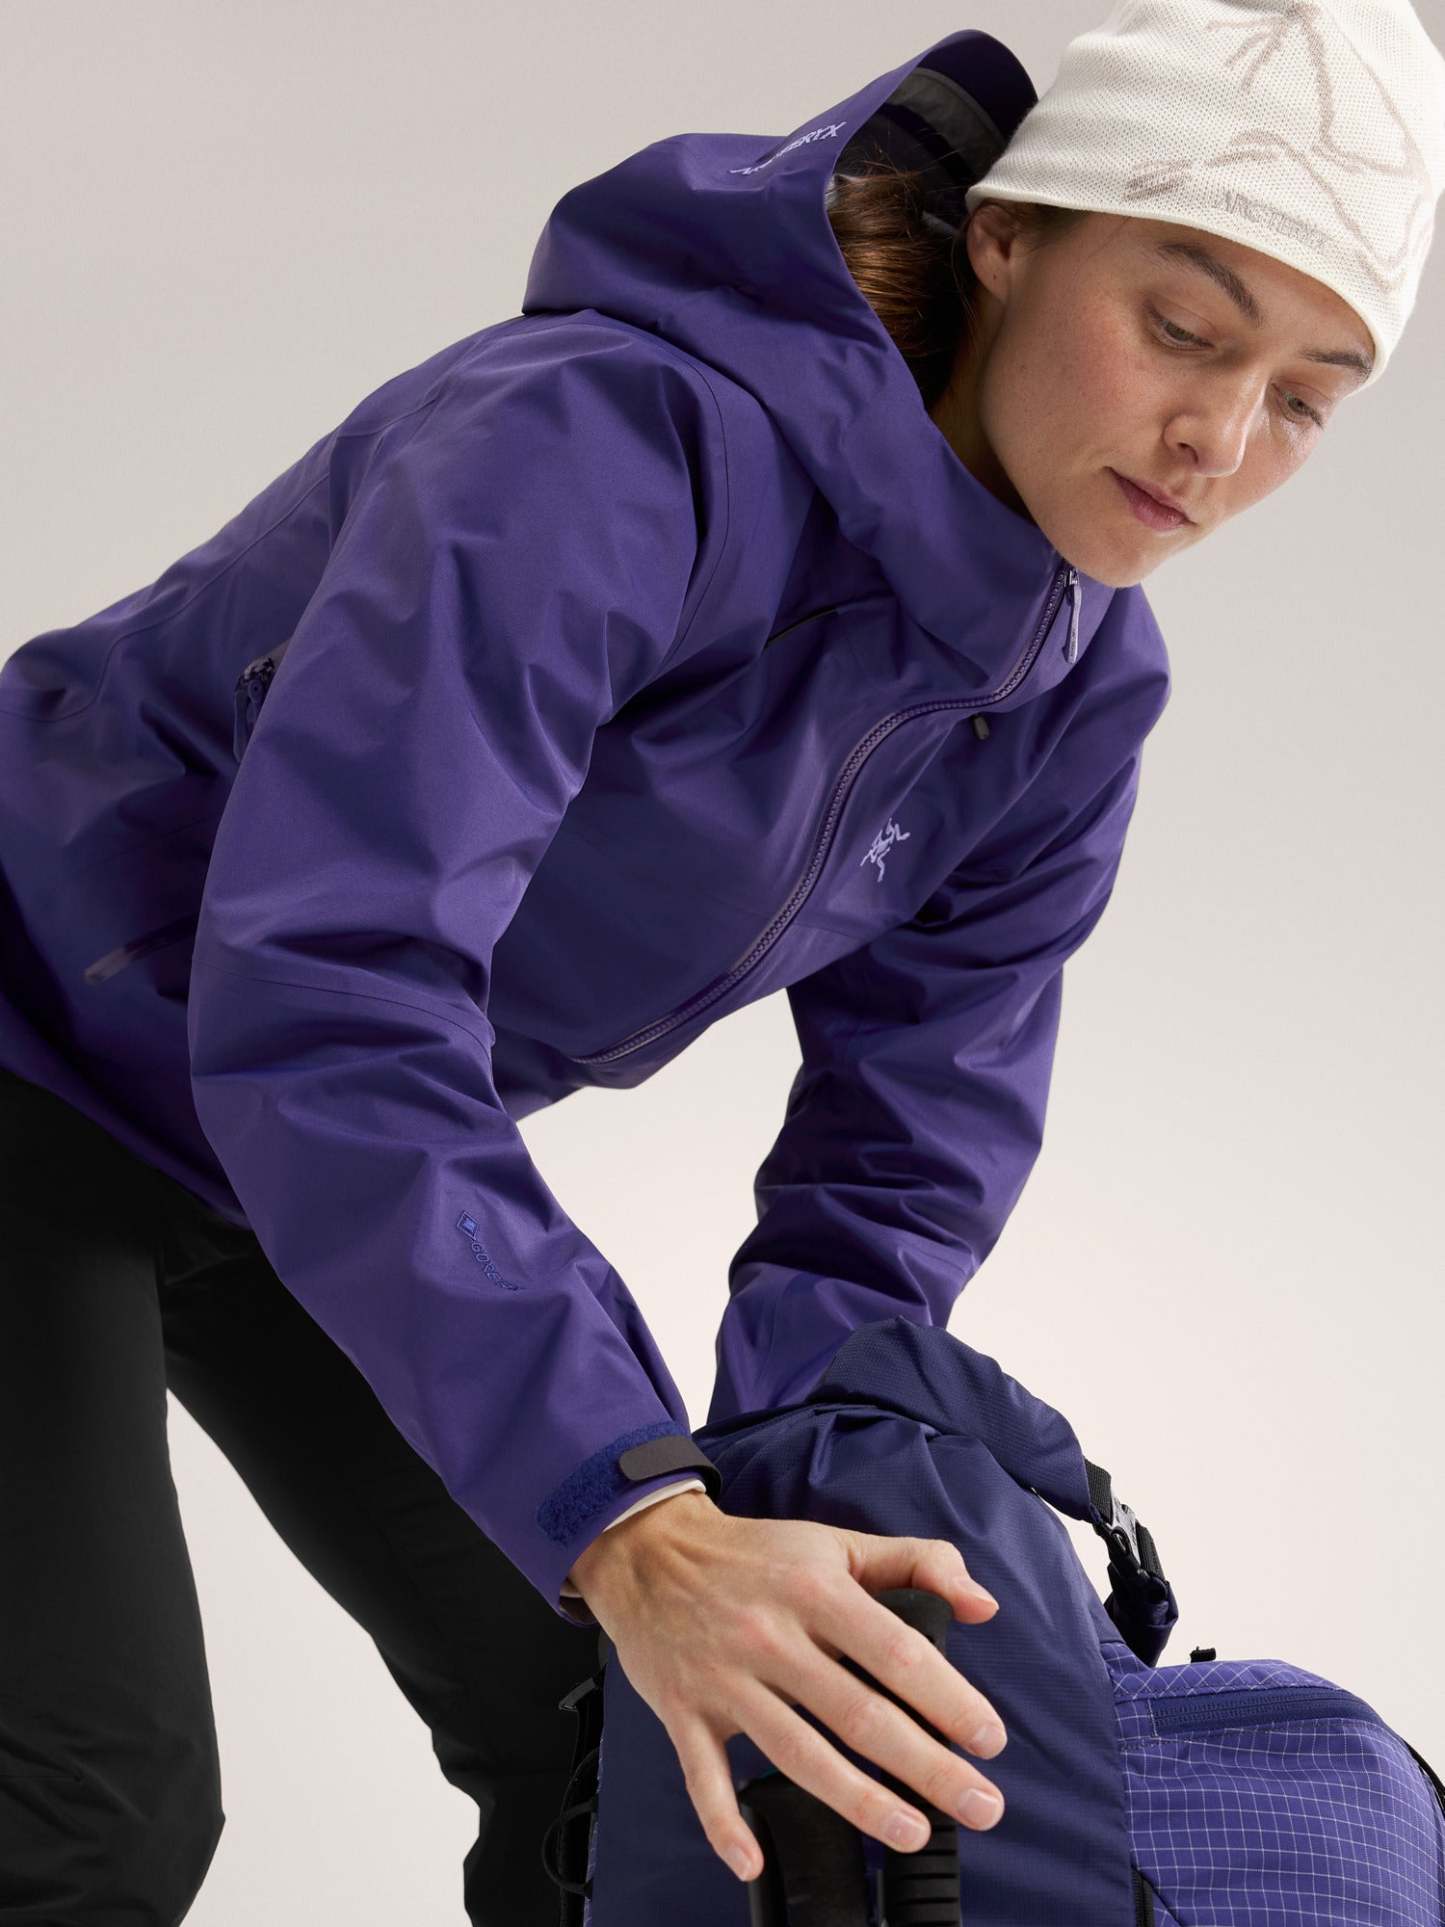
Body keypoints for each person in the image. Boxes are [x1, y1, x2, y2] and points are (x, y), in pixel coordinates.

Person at [1, 3, 1440, 1920]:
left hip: (277, 1153)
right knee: (86, 1804)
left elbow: (892, 1169)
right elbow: (335, 981)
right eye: (1182, 327)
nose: (1221, 439)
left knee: (639, 1742)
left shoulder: (1066, 688)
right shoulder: (595, 447)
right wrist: (626, 1506)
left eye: (1307, 398)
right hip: (39, 1037)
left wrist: (787, 1506)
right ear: (1007, 238)